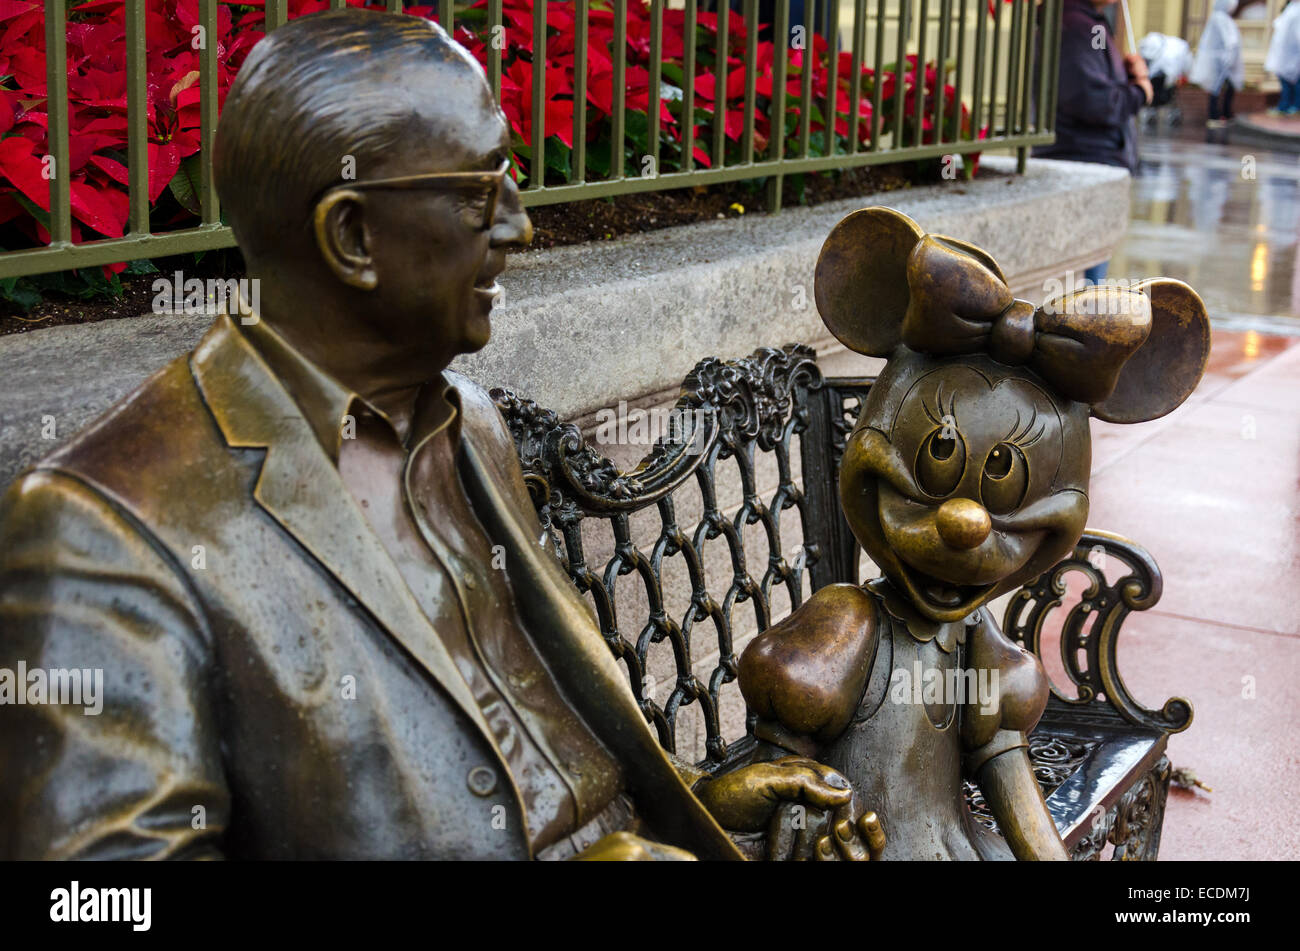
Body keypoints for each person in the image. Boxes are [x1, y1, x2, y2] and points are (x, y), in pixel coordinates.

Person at [0, 9, 884, 861]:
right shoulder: (105, 524)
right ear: (352, 235)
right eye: (479, 192)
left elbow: (539, 762)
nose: (519, 225)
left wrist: (705, 804)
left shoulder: (470, 421)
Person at [1034, 0, 1152, 284]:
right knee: (1085, 290)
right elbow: (1094, 102)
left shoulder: (1086, 24)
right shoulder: (1076, 26)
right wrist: (1140, 91)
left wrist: (1126, 76)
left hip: (1094, 163)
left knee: (1089, 278)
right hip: (1084, 162)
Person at [1191, 0, 1245, 127]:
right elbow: (1230, 40)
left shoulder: (1222, 18)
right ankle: (1214, 115)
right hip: (1220, 60)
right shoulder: (1219, 19)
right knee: (1216, 87)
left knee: (1225, 86)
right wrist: (1228, 55)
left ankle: (1225, 113)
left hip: (1224, 60)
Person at [1266, 0, 1300, 115]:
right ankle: (1285, 106)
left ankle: (1294, 106)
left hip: (1293, 55)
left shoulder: (1296, 10)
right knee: (1286, 81)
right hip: (1285, 54)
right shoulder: (1292, 8)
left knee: (1294, 82)